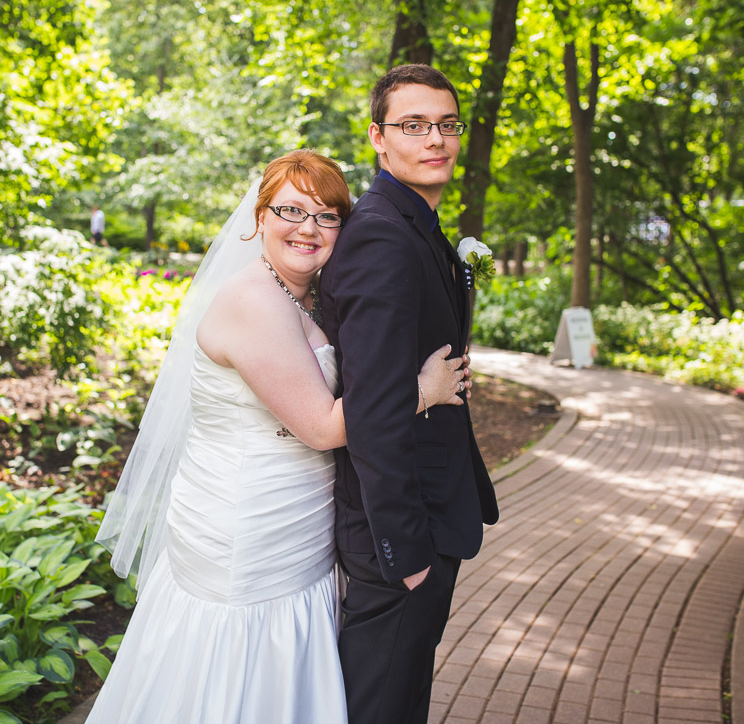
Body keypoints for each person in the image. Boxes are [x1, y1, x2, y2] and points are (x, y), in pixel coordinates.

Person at [88, 149, 471, 723]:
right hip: (248, 521)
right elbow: (320, 425)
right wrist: (422, 388)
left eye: (327, 216)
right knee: (236, 669)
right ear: (260, 217)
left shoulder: (308, 295)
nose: (307, 229)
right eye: (291, 210)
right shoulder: (252, 301)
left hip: (297, 515)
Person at [318, 64, 500, 724]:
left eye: (447, 125)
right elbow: (370, 409)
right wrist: (404, 554)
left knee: (401, 701)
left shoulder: (416, 227)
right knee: (379, 708)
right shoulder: (381, 236)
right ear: (378, 138)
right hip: (400, 533)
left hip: (428, 517)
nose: (436, 139)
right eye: (414, 125)